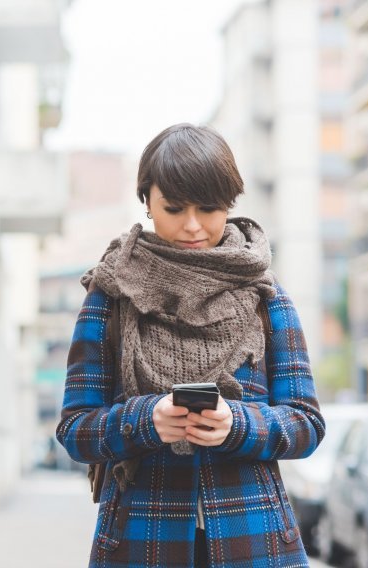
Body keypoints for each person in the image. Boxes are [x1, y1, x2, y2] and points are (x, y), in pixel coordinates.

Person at [55, 123, 325, 567]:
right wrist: (147, 419)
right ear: (147, 201)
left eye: (209, 207)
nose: (193, 225)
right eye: (175, 208)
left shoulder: (266, 296)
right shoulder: (112, 294)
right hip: (140, 543)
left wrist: (235, 424)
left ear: (230, 204)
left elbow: (307, 424)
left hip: (255, 542)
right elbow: (75, 429)